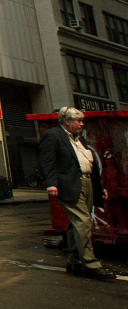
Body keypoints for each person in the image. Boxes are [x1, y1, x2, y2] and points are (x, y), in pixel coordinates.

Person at [39, 106, 116, 281]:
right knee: (83, 221)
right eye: (79, 121)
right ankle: (91, 264)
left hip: (86, 183)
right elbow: (47, 161)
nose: (82, 124)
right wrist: (51, 184)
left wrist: (98, 187)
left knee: (76, 224)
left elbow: (90, 163)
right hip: (70, 185)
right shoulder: (53, 136)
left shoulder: (79, 139)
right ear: (67, 121)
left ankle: (74, 261)